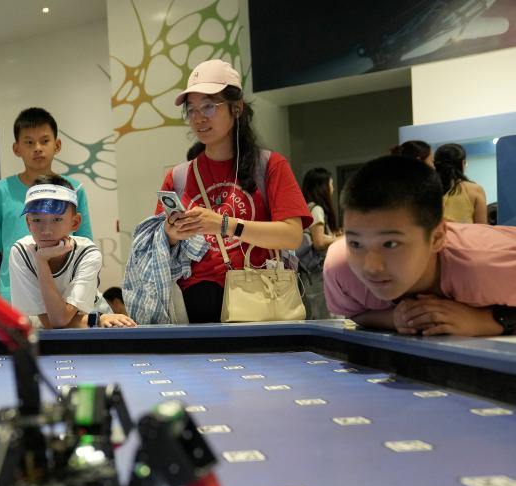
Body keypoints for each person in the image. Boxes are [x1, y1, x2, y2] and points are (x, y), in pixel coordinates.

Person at [127, 59, 310, 324]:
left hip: (258, 298)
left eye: (209, 106)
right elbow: (161, 248)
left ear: (237, 108)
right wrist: (172, 234)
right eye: (191, 110)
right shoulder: (178, 177)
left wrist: (224, 224)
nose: (198, 118)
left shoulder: (269, 165)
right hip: (195, 306)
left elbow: (292, 236)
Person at [323, 155, 516, 337]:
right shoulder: (340, 269)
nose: (371, 267)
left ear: (437, 237)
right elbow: (354, 312)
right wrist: (394, 318)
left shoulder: (490, 264)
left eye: (390, 244)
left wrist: (486, 321)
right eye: (356, 243)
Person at [0, 107, 93, 301]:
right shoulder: (2, 190)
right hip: (13, 294)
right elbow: (3, 248)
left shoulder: (74, 189)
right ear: (16, 149)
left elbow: (84, 244)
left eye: (45, 141)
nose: (37, 148)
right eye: (29, 142)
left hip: (62, 291)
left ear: (57, 145)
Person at [9, 177, 134, 329]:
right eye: (37, 220)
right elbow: (52, 321)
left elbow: (57, 320)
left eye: (57, 219)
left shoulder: (88, 253)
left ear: (75, 222)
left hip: (99, 328)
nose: (46, 230)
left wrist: (41, 260)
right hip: (93, 321)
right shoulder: (21, 251)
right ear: (28, 223)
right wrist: (41, 260)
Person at [297, 168, 341, 319]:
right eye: (331, 184)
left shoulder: (306, 207)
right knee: (326, 317)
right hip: (316, 273)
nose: (332, 188)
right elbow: (319, 241)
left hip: (308, 273)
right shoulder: (316, 209)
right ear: (322, 187)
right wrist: (342, 238)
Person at [434, 143, 488, 224]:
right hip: (467, 233)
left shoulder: (426, 189)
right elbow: (482, 227)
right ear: (463, 163)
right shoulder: (475, 190)